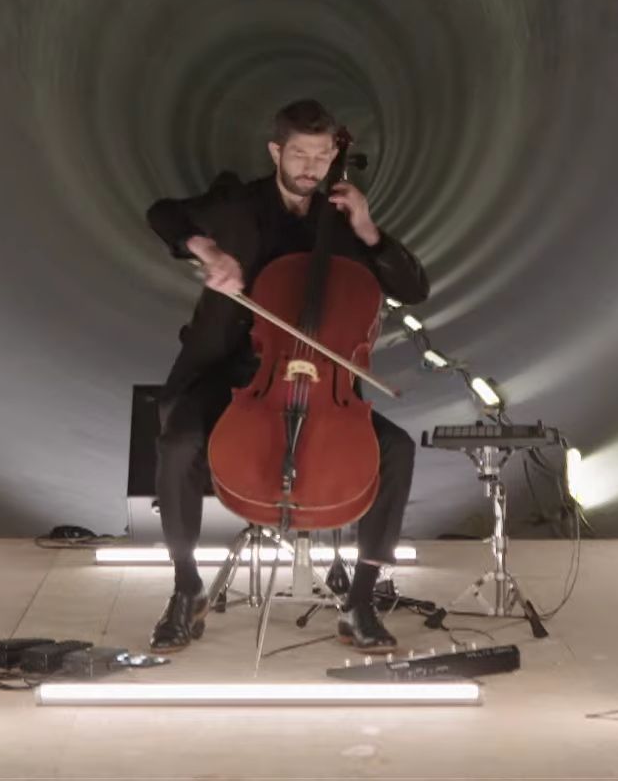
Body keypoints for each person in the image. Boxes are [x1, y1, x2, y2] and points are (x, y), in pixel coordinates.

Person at [143, 98, 430, 653]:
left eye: (322, 157)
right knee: (178, 444)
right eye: (299, 154)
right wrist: (205, 250)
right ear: (277, 150)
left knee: (395, 452)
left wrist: (369, 230)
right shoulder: (237, 204)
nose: (310, 168)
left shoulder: (342, 223)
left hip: (323, 385)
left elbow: (413, 287)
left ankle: (361, 602)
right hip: (232, 374)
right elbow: (164, 215)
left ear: (333, 159)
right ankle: (186, 589)